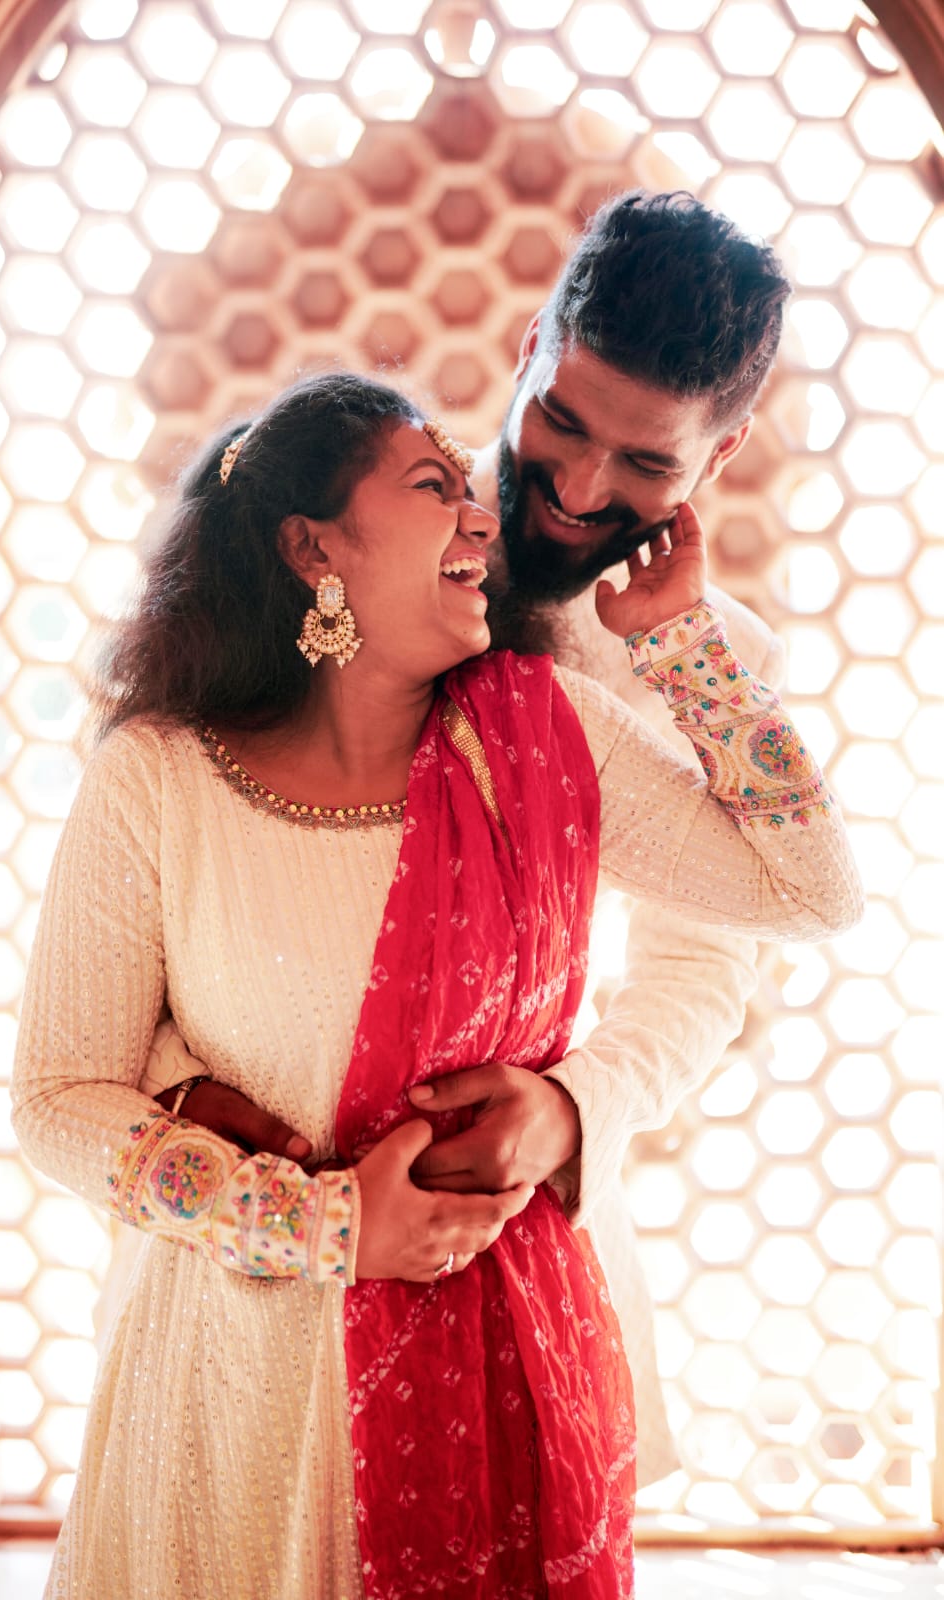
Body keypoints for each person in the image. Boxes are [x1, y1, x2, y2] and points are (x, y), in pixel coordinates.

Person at [11, 369, 862, 1598]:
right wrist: (323, 1225)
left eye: (465, 486)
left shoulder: (546, 735)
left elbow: (811, 892)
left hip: (502, 1363)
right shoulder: (157, 779)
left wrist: (680, 643)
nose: (479, 516)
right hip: (233, 1382)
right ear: (313, 548)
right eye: (430, 486)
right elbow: (58, 1098)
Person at [130, 190, 795, 1486]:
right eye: (562, 421)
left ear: (718, 457)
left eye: (645, 463)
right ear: (531, 347)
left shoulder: (711, 668)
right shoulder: (348, 533)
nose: (580, 488)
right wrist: (176, 1085)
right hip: (253, 1216)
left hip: (509, 1234)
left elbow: (703, 969)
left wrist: (567, 1110)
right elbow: (160, 844)